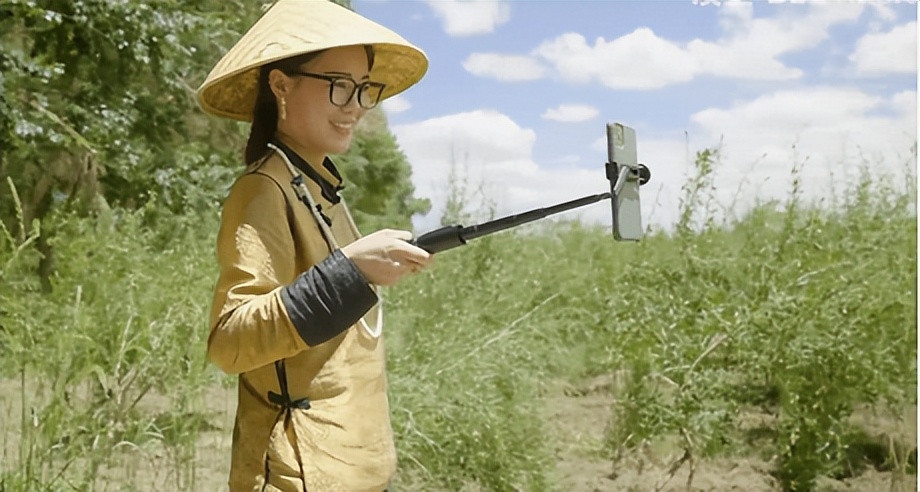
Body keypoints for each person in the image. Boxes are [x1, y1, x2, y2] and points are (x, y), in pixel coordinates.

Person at [196, 1, 432, 490]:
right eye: (338, 85)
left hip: (350, 466)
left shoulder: (318, 185)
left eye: (365, 88)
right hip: (298, 474)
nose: (355, 106)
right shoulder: (265, 188)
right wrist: (350, 270)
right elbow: (230, 342)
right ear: (281, 85)